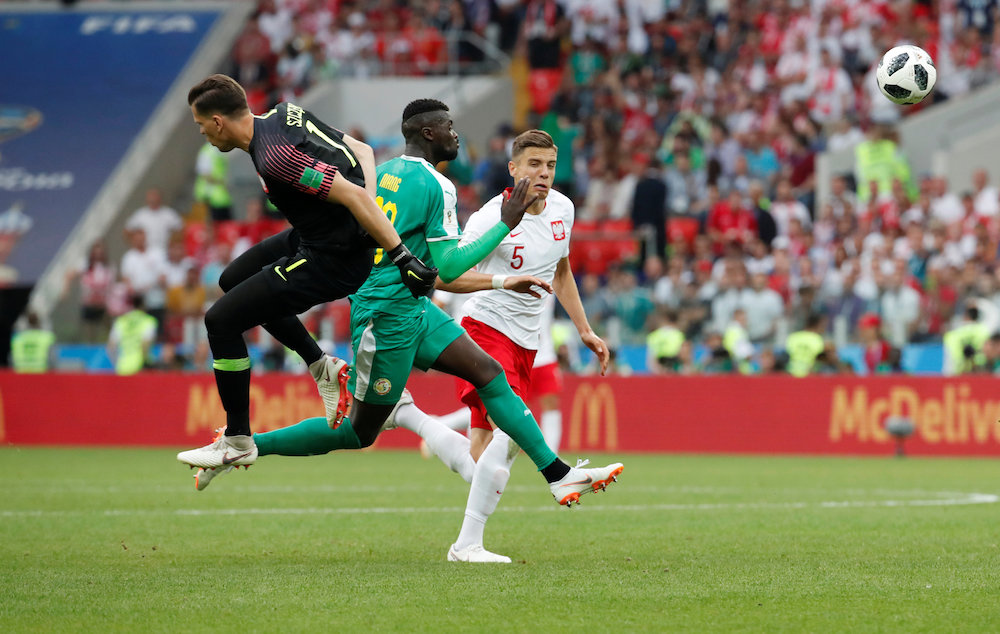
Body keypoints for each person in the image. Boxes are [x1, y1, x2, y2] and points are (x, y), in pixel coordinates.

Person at [188, 105, 623, 524]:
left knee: (488, 374)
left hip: (410, 305)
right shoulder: (438, 186)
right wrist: (506, 224)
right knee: (358, 432)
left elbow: (362, 176)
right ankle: (244, 447)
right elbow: (448, 270)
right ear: (430, 133)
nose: (457, 134)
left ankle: (558, 474)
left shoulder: (390, 171)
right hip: (386, 315)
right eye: (450, 127)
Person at [175, 74, 437, 466]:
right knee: (231, 281)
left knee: (221, 321)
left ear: (217, 122)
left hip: (332, 261)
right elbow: (364, 151)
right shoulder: (286, 113)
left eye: (200, 126)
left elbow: (348, 194)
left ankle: (239, 439)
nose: (203, 135)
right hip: (312, 237)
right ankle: (321, 365)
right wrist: (367, 207)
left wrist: (399, 254)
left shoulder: (275, 159)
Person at [107, 295, 158, 375]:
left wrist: (117, 364)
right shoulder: (149, 321)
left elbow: (111, 347)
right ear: (143, 306)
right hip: (140, 367)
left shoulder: (121, 321)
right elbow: (145, 345)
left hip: (122, 367)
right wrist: (147, 364)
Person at [125, 188, 183, 253]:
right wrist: (135, 244)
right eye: (151, 197)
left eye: (155, 197)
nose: (153, 200)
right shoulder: (140, 214)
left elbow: (180, 229)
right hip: (146, 252)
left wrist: (172, 243)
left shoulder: (169, 213)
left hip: (164, 251)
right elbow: (127, 230)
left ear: (160, 198)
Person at [193, 142, 233, 221]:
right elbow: (204, 174)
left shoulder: (219, 150)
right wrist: (220, 181)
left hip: (221, 197)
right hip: (210, 196)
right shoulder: (208, 151)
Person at [785, 312, 827, 377]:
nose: (824, 329)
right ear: (817, 324)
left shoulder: (793, 337)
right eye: (823, 325)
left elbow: (787, 356)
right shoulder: (817, 339)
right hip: (810, 374)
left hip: (791, 374)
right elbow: (819, 359)